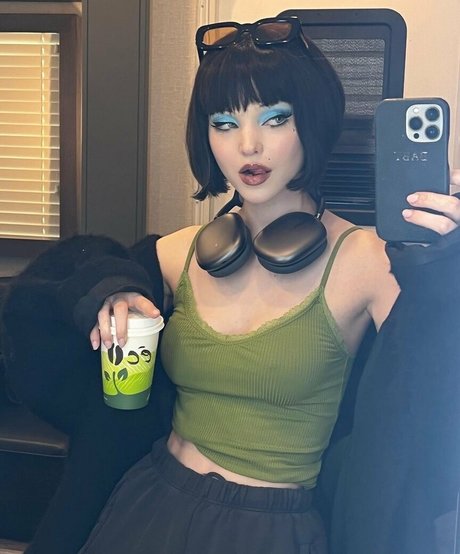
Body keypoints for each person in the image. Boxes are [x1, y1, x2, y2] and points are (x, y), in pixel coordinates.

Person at [75, 16, 460, 554]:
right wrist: (110, 289)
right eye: (224, 123)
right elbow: (54, 290)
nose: (248, 145)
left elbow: (437, 388)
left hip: (270, 530)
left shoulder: (370, 260)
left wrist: (442, 268)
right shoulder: (177, 253)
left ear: (313, 123)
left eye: (275, 118)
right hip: (151, 505)